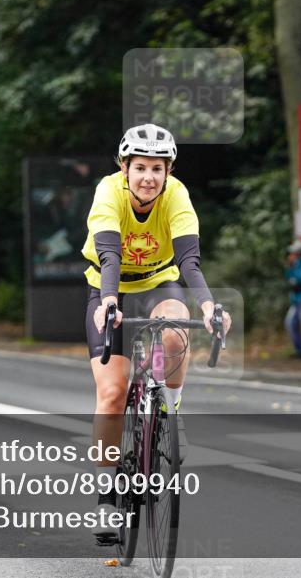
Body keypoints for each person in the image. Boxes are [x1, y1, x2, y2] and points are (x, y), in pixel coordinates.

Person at [82, 123, 231, 542]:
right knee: (112, 394)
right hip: (109, 288)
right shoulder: (108, 192)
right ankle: (106, 499)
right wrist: (108, 301)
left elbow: (189, 261)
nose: (148, 177)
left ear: (168, 172)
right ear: (124, 168)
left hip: (158, 284)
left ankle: (170, 407)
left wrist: (208, 307)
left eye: (157, 169)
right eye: (140, 168)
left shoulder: (176, 195)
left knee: (175, 332)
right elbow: (109, 254)